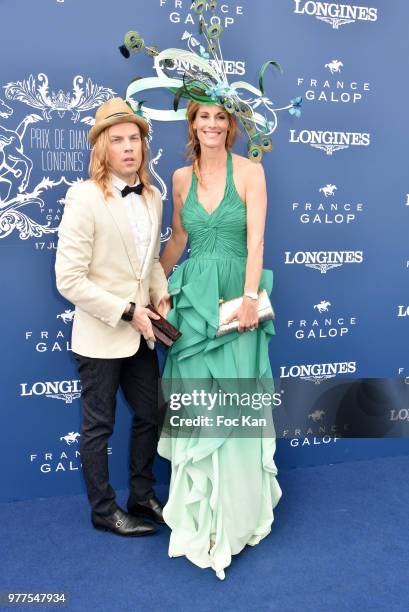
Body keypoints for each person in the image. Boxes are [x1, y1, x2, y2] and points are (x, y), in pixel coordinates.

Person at [157, 101, 282, 579]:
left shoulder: (251, 172)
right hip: (191, 300)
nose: (211, 124)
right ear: (192, 124)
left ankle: (232, 516)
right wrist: (155, 289)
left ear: (231, 125)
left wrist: (251, 295)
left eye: (220, 117)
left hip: (234, 301)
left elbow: (256, 241)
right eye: (202, 117)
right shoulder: (181, 177)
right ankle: (199, 515)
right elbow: (176, 240)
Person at [55, 97, 170, 537]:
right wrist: (127, 312)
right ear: (102, 148)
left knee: (151, 414)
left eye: (135, 139)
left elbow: (151, 263)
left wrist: (159, 297)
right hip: (102, 335)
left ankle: (140, 496)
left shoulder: (154, 196)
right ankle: (103, 510)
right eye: (117, 140)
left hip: (142, 336)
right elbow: (69, 279)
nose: (128, 147)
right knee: (98, 427)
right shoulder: (83, 197)